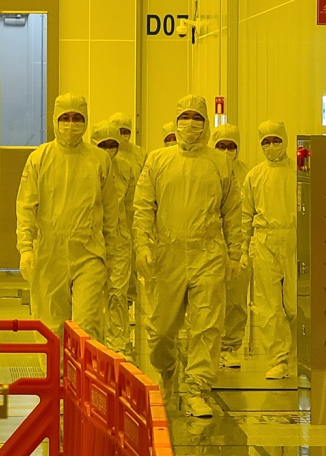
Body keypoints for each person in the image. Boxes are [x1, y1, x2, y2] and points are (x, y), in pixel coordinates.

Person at [133, 95, 243, 418]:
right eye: (185, 116)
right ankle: (168, 371)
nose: (191, 123)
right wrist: (142, 245)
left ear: (207, 123)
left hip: (208, 252)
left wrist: (235, 254)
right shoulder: (157, 160)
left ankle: (197, 389)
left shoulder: (220, 163)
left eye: (197, 117)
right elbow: (143, 207)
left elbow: (232, 212)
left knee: (207, 326)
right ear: (176, 120)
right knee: (160, 330)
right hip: (167, 254)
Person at [16, 93, 118, 343]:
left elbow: (112, 213)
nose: (71, 124)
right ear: (54, 120)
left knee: (88, 325)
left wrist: (114, 255)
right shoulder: (40, 158)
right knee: (51, 326)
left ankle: (84, 381)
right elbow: (26, 207)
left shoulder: (99, 159)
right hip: (50, 254)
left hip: (89, 253)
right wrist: (26, 249)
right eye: (65, 118)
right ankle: (58, 379)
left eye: (77, 118)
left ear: (85, 121)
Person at [240, 120, 297, 380]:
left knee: (295, 304)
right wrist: (242, 248)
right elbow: (245, 215)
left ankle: (300, 356)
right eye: (266, 142)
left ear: (285, 140)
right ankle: (279, 359)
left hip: (294, 240)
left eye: (276, 140)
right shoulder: (254, 176)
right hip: (263, 242)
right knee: (269, 305)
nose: (271, 146)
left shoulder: (298, 172)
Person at [91, 121, 137, 358]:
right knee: (93, 295)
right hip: (92, 239)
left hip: (120, 239)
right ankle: (95, 343)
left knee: (118, 292)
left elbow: (132, 206)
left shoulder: (127, 169)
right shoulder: (87, 166)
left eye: (112, 145)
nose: (109, 149)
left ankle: (118, 341)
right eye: (103, 145)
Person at [210, 124, 251, 369]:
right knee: (208, 300)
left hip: (239, 246)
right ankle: (207, 347)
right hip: (210, 245)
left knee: (236, 300)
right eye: (221, 146)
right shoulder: (205, 169)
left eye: (231, 146)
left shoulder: (248, 174)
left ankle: (229, 347)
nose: (226, 151)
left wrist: (242, 249)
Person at [109, 112, 145, 312]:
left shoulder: (139, 154)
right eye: (119, 132)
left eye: (126, 132)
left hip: (128, 222)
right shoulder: (97, 159)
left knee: (123, 279)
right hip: (105, 228)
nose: (123, 136)